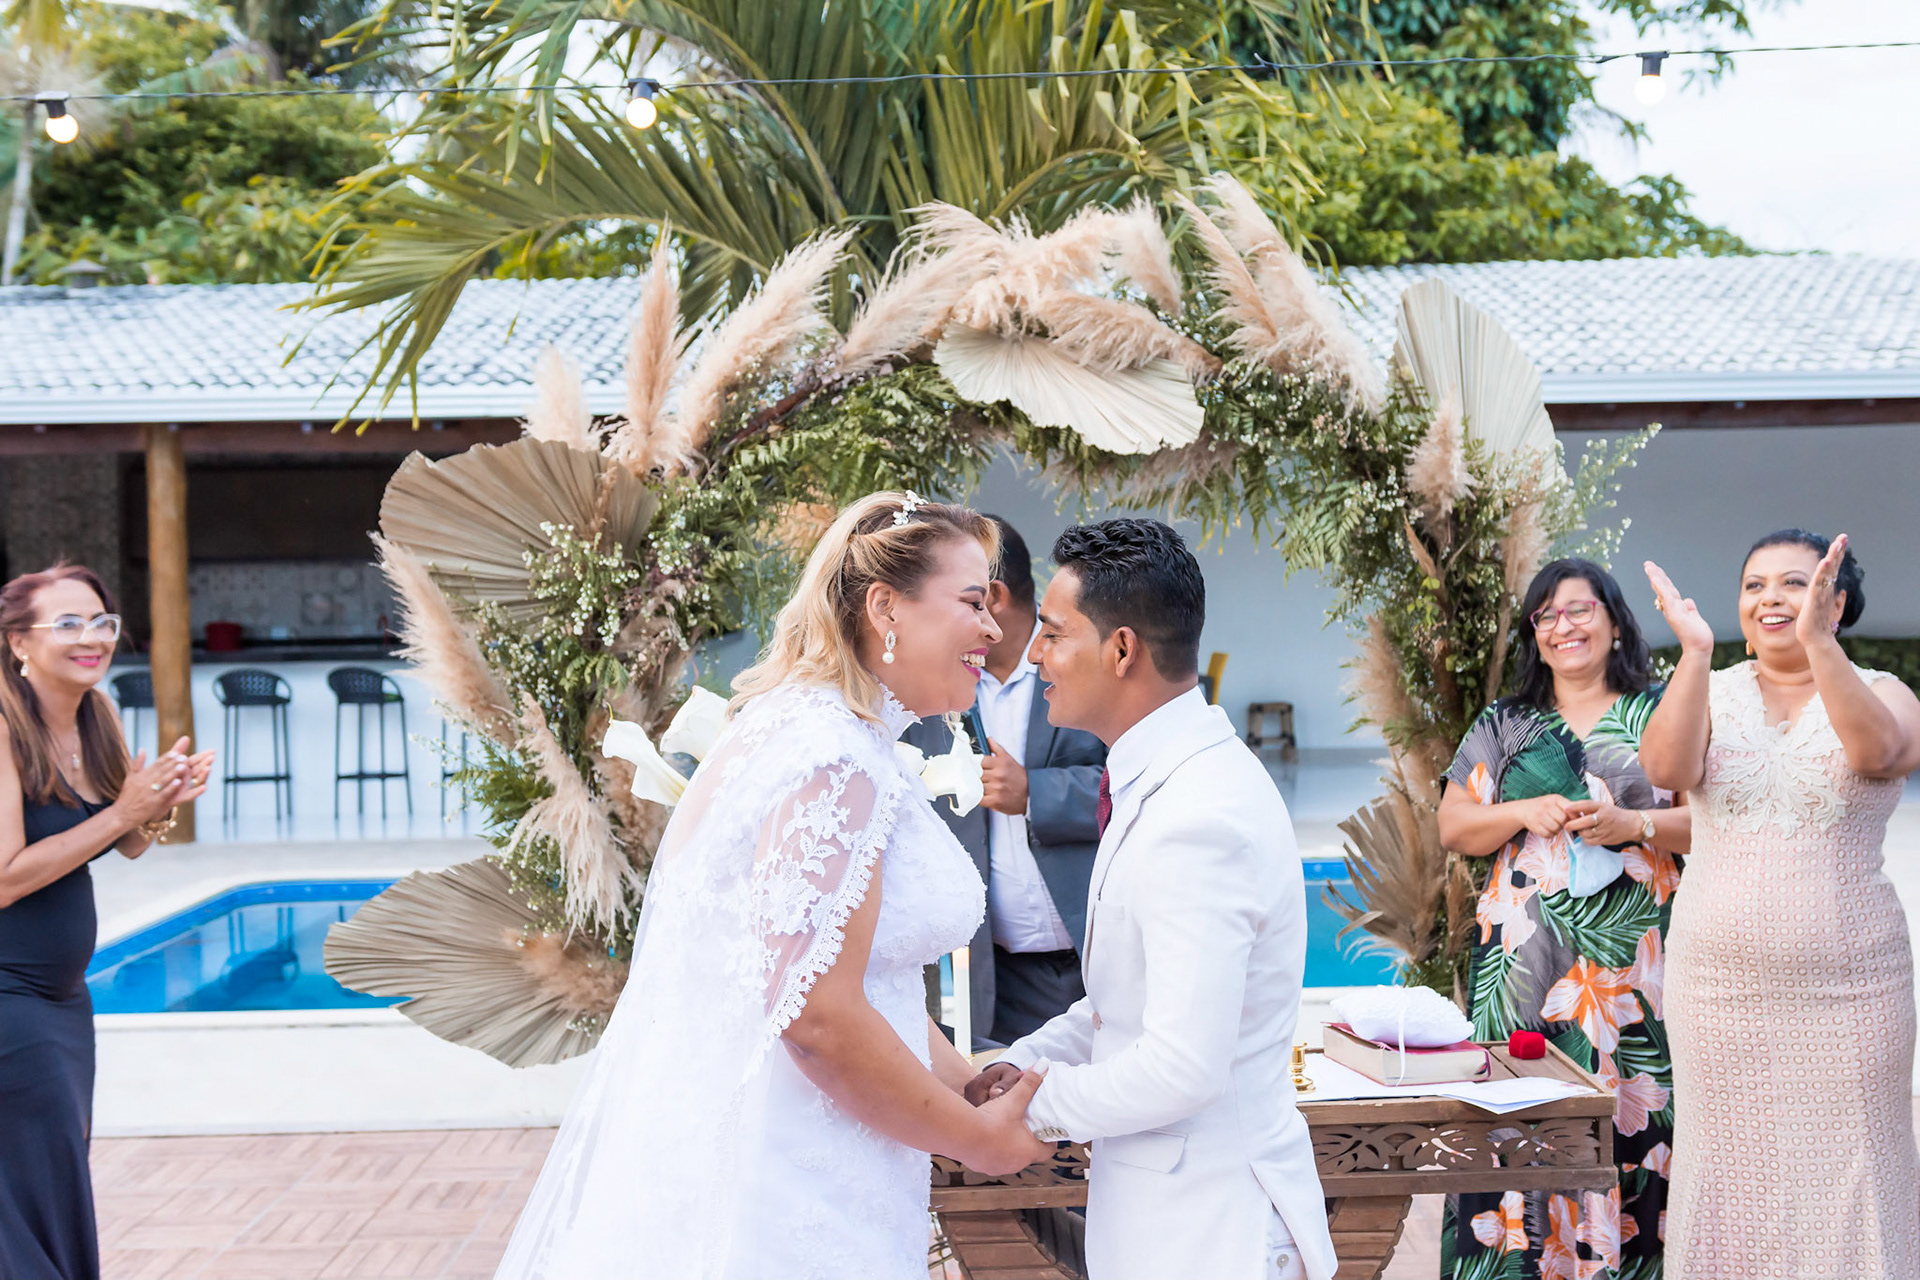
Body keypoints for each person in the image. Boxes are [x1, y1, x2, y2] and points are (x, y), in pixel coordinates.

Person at [495, 492, 1050, 1280]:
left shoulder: (812, 729)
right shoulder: (834, 761)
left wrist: (963, 1083)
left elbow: (863, 979)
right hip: (794, 1181)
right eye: (972, 603)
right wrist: (976, 1142)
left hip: (819, 1159)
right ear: (885, 606)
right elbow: (817, 1017)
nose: (994, 631)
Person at [966, 518, 1337, 1280]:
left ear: (1122, 649)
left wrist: (1031, 1106)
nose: (1035, 655)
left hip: (1210, 1230)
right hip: (1164, 1223)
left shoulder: (1198, 811)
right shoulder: (1159, 779)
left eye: (1053, 633)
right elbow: (1117, 1007)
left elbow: (1182, 1067)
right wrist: (1021, 1061)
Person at [1640, 530, 1920, 1279]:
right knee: (1730, 1174)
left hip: (1854, 990)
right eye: (1755, 584)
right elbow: (1666, 768)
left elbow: (1878, 756)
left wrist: (1817, 645)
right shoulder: (1712, 685)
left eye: (1795, 583)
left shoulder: (1887, 692)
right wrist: (1695, 654)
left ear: (1838, 600)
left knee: (1855, 1168)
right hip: (1719, 991)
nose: (1770, 598)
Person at [1435, 558, 1688, 1278]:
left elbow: (1708, 823)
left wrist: (1633, 825)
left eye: (1578, 610)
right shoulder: (1506, 723)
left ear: (1613, 621)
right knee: (1520, 1115)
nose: (1562, 626)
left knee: (1633, 1109)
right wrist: (1518, 811)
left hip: (1633, 963)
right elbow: (1455, 826)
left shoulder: (1660, 712)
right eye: (1545, 615)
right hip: (1524, 963)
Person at [0, 565, 212, 1280]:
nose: (91, 638)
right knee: (24, 1188)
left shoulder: (98, 715)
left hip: (62, 998)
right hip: (7, 998)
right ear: (17, 642)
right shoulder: (2, 724)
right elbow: (4, 878)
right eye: (68, 624)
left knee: (51, 1175)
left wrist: (161, 801)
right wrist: (127, 811)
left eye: (102, 623)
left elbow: (124, 840)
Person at [902, 516, 1105, 1048]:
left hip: (1092, 958)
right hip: (991, 975)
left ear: (994, 595)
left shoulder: (1081, 666)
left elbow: (1131, 782)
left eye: (964, 601)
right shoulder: (933, 688)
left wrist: (1035, 792)